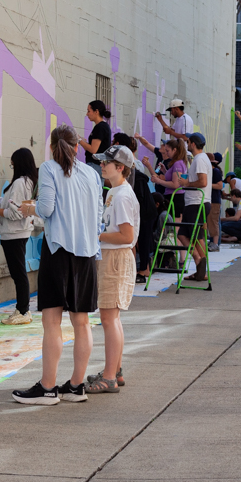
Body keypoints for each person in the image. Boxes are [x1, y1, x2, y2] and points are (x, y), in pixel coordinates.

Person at [13, 126, 102, 406]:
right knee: (81, 321)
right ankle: (76, 385)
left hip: (59, 249)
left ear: (52, 146)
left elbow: (47, 209)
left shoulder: (50, 168)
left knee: (52, 321)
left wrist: (31, 208)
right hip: (87, 252)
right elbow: (99, 214)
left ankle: (48, 387)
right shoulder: (91, 173)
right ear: (77, 146)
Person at [86, 145, 140, 394]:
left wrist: (97, 235)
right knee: (112, 318)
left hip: (115, 259)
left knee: (109, 318)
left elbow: (127, 235)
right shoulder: (115, 191)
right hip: (112, 257)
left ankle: (109, 376)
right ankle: (114, 371)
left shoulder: (121, 196)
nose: (102, 165)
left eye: (107, 162)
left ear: (121, 168)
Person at [0, 148, 39, 325]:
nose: (12, 167)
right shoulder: (28, 182)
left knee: (19, 273)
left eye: (13, 164)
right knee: (19, 273)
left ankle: (23, 310)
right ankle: (22, 309)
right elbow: (11, 204)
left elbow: (15, 213)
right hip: (18, 233)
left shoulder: (20, 183)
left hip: (14, 234)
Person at [115, 132, 157, 284]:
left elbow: (131, 187)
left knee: (138, 240)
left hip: (143, 207)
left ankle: (140, 269)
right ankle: (138, 268)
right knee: (136, 240)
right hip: (141, 205)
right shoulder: (132, 168)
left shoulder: (130, 168)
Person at [178, 133, 212, 281]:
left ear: (192, 143)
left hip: (198, 203)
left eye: (188, 143)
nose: (187, 145)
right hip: (194, 203)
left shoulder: (199, 159)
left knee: (197, 237)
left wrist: (187, 184)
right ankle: (199, 262)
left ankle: (202, 268)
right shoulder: (200, 159)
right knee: (183, 235)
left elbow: (202, 182)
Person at [78, 100, 113, 173]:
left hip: (95, 165)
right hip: (98, 166)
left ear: (96, 112)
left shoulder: (100, 127)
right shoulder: (102, 126)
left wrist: (79, 140)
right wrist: (83, 142)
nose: (87, 114)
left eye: (89, 111)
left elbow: (93, 150)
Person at [208, 152, 224, 252]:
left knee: (213, 221)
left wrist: (207, 185)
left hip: (214, 200)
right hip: (209, 199)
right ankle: (211, 241)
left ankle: (215, 243)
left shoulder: (216, 171)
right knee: (209, 221)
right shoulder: (210, 171)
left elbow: (219, 185)